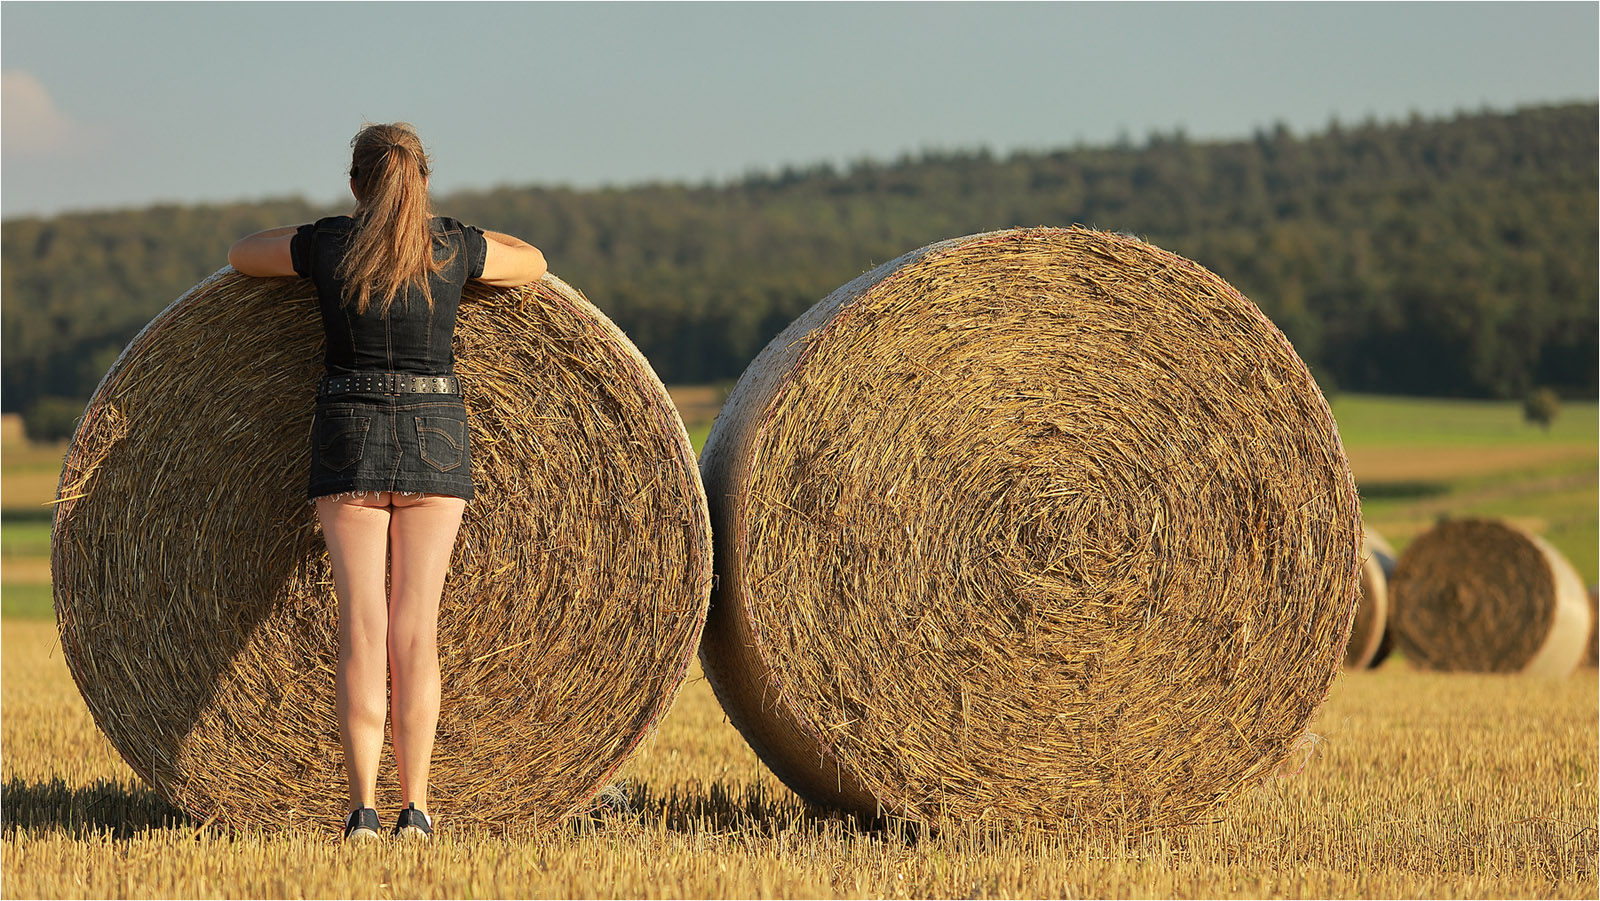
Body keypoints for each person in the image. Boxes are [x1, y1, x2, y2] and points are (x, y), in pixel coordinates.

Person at [228, 122, 546, 842]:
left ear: (355, 183)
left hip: (349, 431)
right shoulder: (452, 245)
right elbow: (533, 262)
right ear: (423, 182)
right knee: (414, 630)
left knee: (361, 629)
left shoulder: (332, 244)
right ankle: (418, 807)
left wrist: (326, 225)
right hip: (437, 438)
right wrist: (449, 228)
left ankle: (362, 808)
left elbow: (242, 254)